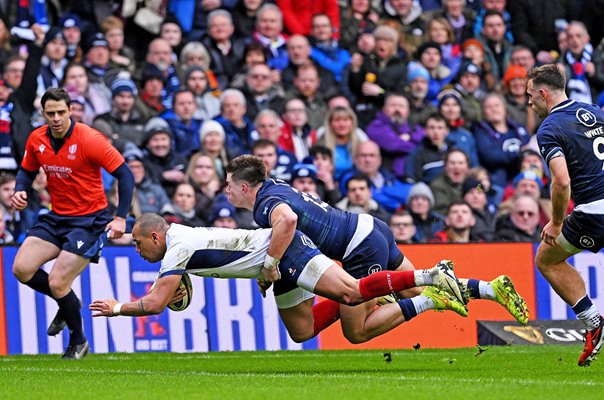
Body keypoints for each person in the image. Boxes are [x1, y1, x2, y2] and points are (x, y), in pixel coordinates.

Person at [225, 155, 529, 343]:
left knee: (356, 332)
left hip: (358, 246)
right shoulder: (275, 186)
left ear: (243, 187)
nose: (225, 191)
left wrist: (270, 264)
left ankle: (430, 301)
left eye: (229, 185)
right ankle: (491, 289)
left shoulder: (264, 204)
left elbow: (288, 220)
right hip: (371, 227)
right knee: (413, 290)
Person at [90, 213, 469, 344]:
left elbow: (156, 304)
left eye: (139, 244)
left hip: (286, 251)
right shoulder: (177, 242)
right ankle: (415, 297)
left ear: (155, 236)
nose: (137, 250)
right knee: (302, 331)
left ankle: (429, 276)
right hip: (273, 260)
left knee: (353, 293)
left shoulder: (175, 248)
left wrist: (117, 308)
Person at [11, 88, 134, 359]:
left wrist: (121, 217)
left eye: (61, 112)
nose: (56, 118)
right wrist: (21, 189)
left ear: (70, 111)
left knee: (57, 281)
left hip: (90, 221)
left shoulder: (90, 139)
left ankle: (78, 341)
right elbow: (27, 169)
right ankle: (69, 302)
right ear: (42, 114)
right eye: (50, 113)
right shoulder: (36, 139)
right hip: (58, 217)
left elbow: (125, 175)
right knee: (21, 269)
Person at [528, 64, 604, 366]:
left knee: (546, 258)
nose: (529, 102)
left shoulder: (549, 128)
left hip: (594, 213)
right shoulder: (596, 112)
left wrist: (556, 221)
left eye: (530, 95)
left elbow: (561, 181)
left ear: (543, 93)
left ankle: (592, 321)